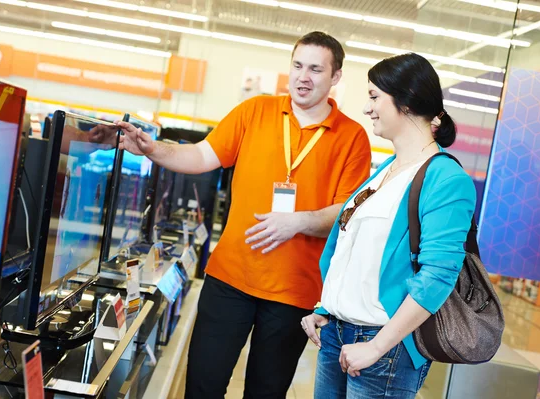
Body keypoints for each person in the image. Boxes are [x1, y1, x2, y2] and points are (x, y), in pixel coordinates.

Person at [117, 31, 371, 398]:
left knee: (265, 393)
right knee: (202, 386)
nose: (303, 76)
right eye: (297, 65)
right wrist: (154, 149)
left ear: (335, 77)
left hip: (294, 294)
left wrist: (298, 221)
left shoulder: (352, 138)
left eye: (315, 69)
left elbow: (347, 214)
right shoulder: (255, 112)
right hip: (230, 278)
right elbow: (203, 156)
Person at [301, 52, 477, 398]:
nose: (367, 108)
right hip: (339, 335)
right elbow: (356, 248)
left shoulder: (445, 179)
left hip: (386, 347)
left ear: (407, 102)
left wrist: (377, 346)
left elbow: (438, 276)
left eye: (374, 97)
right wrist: (329, 307)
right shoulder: (387, 169)